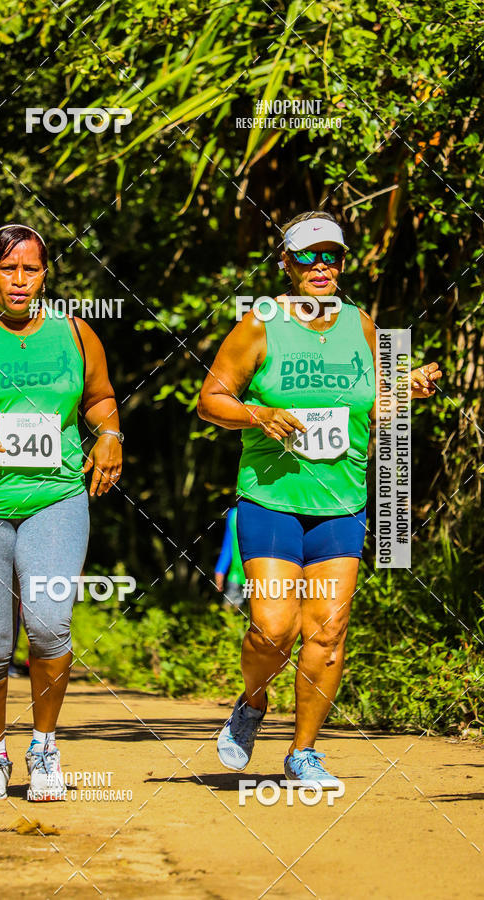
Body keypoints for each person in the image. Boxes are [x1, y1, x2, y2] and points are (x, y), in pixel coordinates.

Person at [197, 210, 441, 786]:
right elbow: (211, 401)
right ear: (286, 263)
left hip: (343, 501)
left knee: (328, 632)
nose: (320, 266)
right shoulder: (260, 323)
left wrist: (410, 389)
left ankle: (303, 751)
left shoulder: (360, 323)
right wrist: (260, 413)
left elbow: (378, 408)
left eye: (330, 255)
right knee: (273, 628)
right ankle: (252, 704)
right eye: (306, 255)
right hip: (272, 499)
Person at [0, 223, 123, 801]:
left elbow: (100, 396)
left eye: (30, 269)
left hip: (56, 495)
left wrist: (109, 432)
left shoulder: (75, 333)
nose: (19, 280)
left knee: (49, 623)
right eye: (8, 269)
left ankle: (45, 745)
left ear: (44, 274)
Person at [215, 507, 245, 609]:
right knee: (229, 609)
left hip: (258, 576)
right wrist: (220, 570)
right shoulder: (233, 513)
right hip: (235, 575)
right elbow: (228, 544)